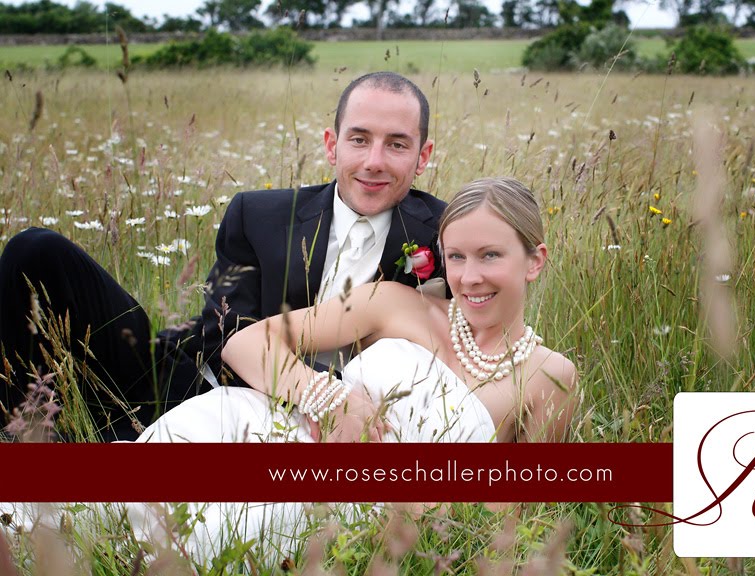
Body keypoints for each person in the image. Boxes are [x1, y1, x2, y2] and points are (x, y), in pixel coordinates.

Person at [121, 177, 579, 562]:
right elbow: (244, 342)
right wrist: (329, 397)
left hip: (347, 507)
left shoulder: (549, 377)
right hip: (266, 428)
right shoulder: (395, 302)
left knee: (212, 535)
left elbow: (516, 515)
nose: (470, 276)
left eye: (491, 255)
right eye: (456, 256)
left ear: (534, 260)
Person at [0, 71, 444, 441]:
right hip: (190, 385)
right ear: (332, 145)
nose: (374, 161)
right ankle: (25, 441)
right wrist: (320, 394)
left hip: (302, 430)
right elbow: (230, 335)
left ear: (422, 156)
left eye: (397, 145)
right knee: (37, 252)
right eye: (360, 140)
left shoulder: (446, 235)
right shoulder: (259, 213)